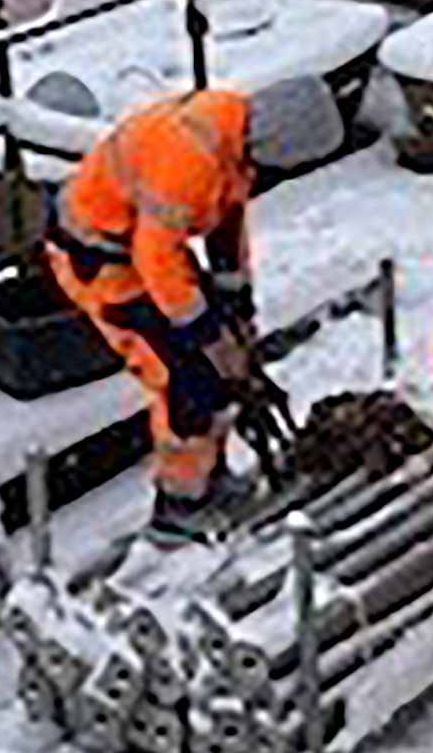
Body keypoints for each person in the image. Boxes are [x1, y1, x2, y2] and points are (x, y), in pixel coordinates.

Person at [46, 81, 335, 542]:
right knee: (186, 380)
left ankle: (210, 478)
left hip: (143, 249)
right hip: (103, 262)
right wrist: (208, 335)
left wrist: (236, 306)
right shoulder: (188, 157)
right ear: (275, 141)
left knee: (218, 377)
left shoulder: (234, 134)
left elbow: (227, 225)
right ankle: (178, 504)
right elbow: (155, 258)